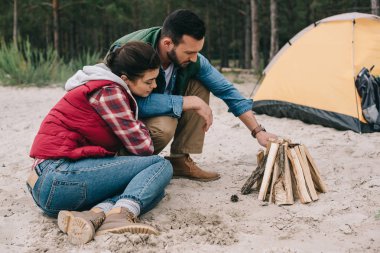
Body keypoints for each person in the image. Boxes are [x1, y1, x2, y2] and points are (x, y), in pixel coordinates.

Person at [72, 9, 277, 182]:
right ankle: (126, 165)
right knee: (165, 125)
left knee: (199, 84)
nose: (194, 58)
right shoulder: (131, 52)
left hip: (156, 108)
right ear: (168, 43)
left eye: (198, 51)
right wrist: (185, 102)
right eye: (189, 52)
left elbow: (228, 92)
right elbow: (122, 103)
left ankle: (179, 160)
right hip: (122, 124)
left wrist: (258, 131)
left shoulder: (192, 59)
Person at [27, 41, 173, 245]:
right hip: (56, 176)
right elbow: (143, 148)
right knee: (160, 165)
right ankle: (121, 215)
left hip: (49, 184)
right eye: (149, 82)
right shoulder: (109, 92)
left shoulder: (97, 85)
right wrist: (142, 124)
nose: (155, 86)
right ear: (125, 79)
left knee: (148, 187)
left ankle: (93, 215)